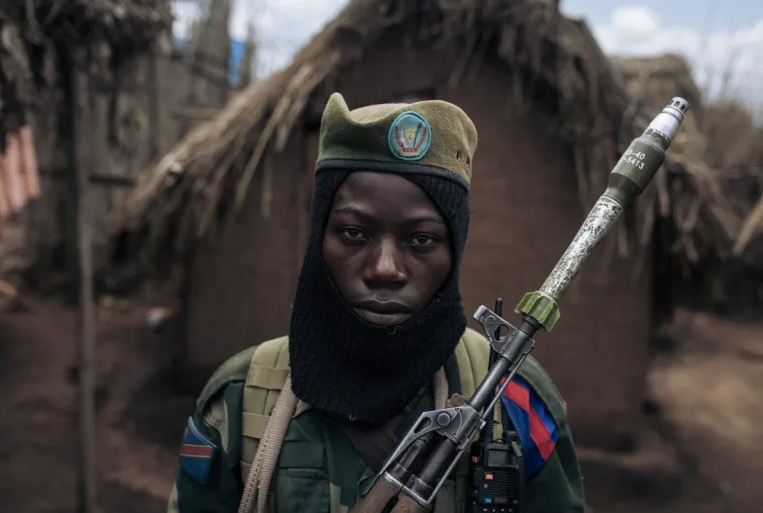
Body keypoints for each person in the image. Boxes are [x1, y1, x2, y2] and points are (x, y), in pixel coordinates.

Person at [167, 93, 586, 513]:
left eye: (421, 240)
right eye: (354, 233)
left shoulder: (513, 400)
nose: (385, 269)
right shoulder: (242, 400)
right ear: (318, 238)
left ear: (454, 250)